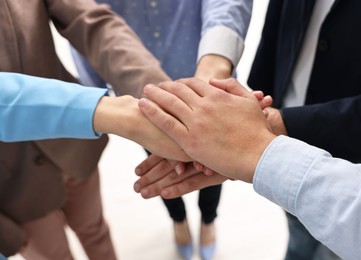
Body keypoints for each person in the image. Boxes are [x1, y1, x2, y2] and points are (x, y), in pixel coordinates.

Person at [69, 1, 252, 259]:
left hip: (205, 80)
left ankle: (208, 219)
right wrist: (103, 103)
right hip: (144, 102)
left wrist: (213, 66)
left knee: (213, 164)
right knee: (160, 166)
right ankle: (178, 219)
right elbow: (85, 24)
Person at [131, 77, 361, 260]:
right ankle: (181, 221)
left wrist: (262, 139)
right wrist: (251, 109)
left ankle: (208, 220)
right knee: (298, 239)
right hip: (292, 150)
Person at [0, 0, 182, 258]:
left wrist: (162, 100)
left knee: (95, 231)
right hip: (13, 191)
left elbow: (92, 22)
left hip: (73, 148)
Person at [244, 0, 361, 259]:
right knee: (298, 238)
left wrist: (282, 123)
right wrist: (254, 105)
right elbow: (279, 17)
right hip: (283, 141)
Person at [0, 72, 187, 163]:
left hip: (77, 153)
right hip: (15, 181)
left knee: (95, 230)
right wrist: (123, 116)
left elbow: (89, 20)